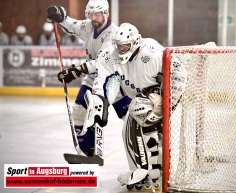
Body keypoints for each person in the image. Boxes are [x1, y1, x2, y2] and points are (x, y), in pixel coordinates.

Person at [58, 23, 187, 189]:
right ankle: (146, 171)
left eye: (125, 46)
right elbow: (100, 73)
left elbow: (180, 74)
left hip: (157, 97)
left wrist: (167, 103)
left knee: (140, 117)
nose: (121, 49)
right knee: (132, 125)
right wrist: (99, 103)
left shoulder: (153, 53)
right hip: (136, 96)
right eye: (118, 45)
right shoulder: (111, 54)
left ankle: (152, 170)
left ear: (135, 43)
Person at [47, 0, 131, 156]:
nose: (93, 18)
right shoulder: (88, 26)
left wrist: (77, 71)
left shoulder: (113, 33)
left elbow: (102, 61)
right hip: (93, 79)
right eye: (90, 14)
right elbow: (73, 26)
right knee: (79, 111)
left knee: (130, 118)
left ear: (106, 13)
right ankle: (88, 151)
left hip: (113, 80)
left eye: (97, 14)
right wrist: (61, 17)